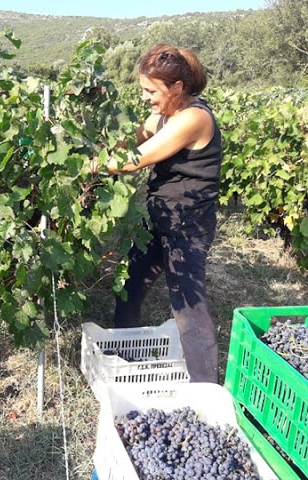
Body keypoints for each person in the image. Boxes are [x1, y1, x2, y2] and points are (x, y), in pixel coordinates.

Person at [98, 44, 222, 383]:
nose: (145, 97)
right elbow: (128, 142)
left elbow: (130, 161)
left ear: (177, 88)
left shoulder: (194, 118)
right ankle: (126, 354)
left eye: (151, 90)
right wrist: (100, 143)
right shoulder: (162, 116)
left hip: (188, 226)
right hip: (159, 217)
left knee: (187, 307)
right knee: (130, 284)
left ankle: (206, 389)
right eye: (143, 90)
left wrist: (91, 165)